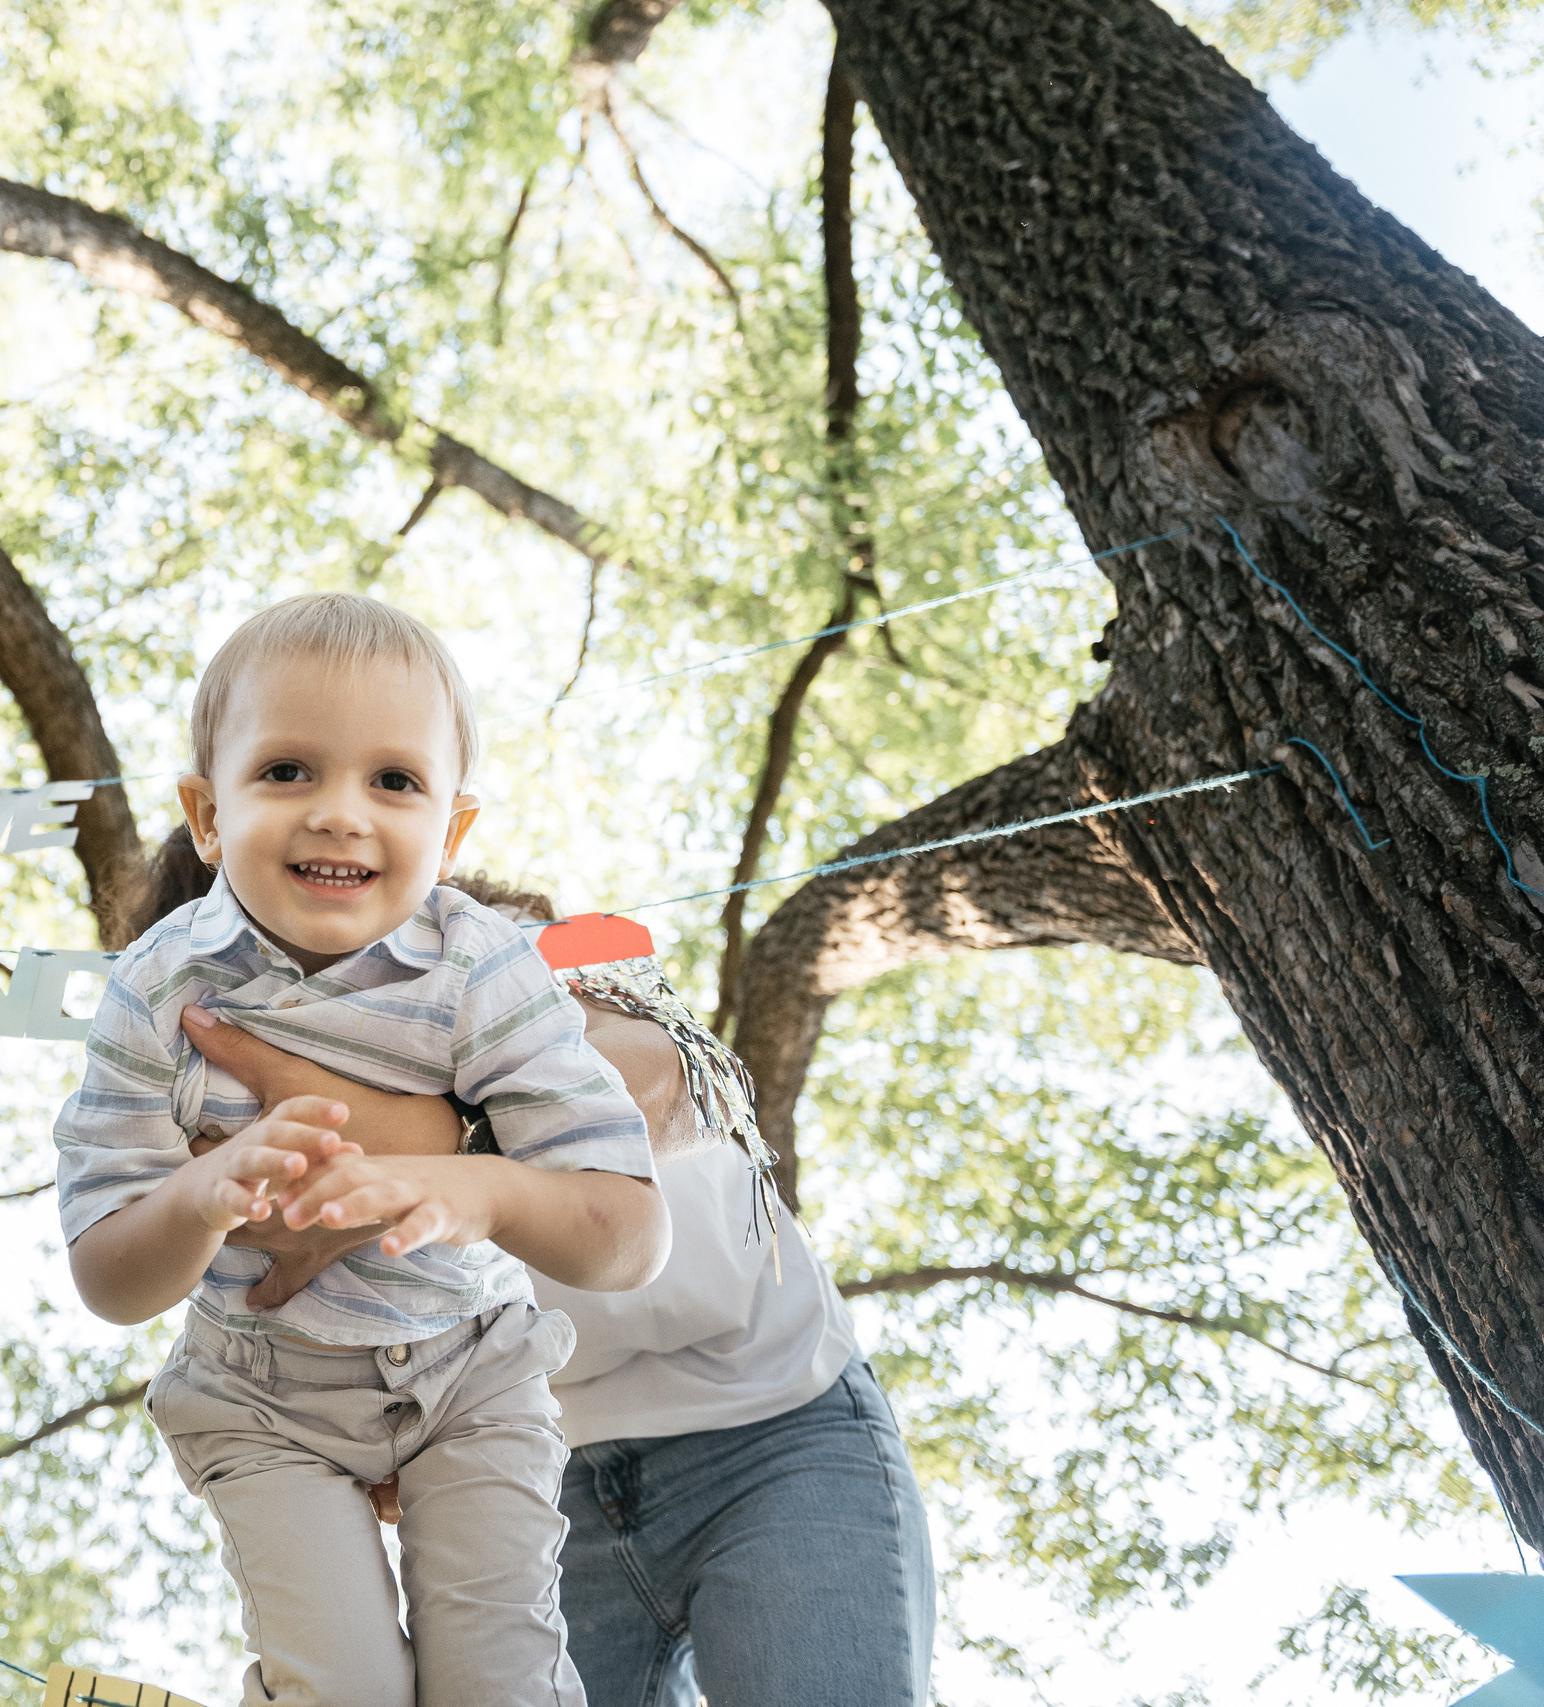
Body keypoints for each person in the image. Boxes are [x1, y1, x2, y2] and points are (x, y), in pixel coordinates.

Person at [54, 593, 668, 1707]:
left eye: (394, 781)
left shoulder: (481, 971)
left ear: (454, 832)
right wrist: (196, 1199)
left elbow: (626, 1238)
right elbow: (106, 1278)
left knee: (501, 1687)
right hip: (259, 1398)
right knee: (342, 1690)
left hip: (468, 1376)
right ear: (205, 813)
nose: (340, 814)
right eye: (287, 770)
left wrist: (465, 1186)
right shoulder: (158, 989)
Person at [167, 874, 940, 1707]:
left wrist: (432, 1149)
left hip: (774, 1426)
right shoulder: (217, 1074)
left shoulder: (490, 940)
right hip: (536, 1473)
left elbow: (675, 1082)